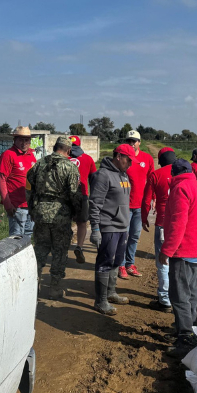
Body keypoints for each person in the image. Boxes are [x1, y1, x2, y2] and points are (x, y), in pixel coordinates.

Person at [160, 159, 197, 358]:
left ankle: (185, 338)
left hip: (184, 249)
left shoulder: (180, 189)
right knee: (190, 292)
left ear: (174, 174)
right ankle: (192, 328)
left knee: (179, 295)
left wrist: (167, 250)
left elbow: (178, 223)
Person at [27, 136, 82, 299]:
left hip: (41, 213)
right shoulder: (70, 167)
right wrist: (76, 211)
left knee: (40, 249)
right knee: (59, 251)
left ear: (55, 147)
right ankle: (54, 288)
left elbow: (29, 187)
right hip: (61, 214)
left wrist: (32, 208)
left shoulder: (38, 164)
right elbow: (74, 194)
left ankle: (33, 285)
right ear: (69, 150)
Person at [88, 144, 134, 315]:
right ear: (119, 156)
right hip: (108, 226)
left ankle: (111, 292)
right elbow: (94, 203)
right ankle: (100, 301)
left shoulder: (123, 174)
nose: (130, 164)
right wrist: (95, 228)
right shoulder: (103, 175)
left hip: (122, 226)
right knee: (105, 262)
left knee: (117, 261)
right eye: (128, 160)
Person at [142, 147, 177, 312]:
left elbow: (146, 199)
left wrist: (144, 218)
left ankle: (165, 299)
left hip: (163, 224)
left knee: (163, 262)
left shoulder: (156, 175)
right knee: (178, 261)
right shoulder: (184, 173)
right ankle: (177, 297)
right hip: (180, 225)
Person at [119, 130, 155, 279]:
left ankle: (130, 263)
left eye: (134, 141)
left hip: (140, 205)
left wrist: (153, 197)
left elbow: (152, 180)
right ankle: (120, 265)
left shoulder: (146, 159)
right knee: (123, 236)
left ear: (140, 142)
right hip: (124, 204)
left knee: (134, 236)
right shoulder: (123, 158)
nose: (132, 143)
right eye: (129, 141)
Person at [0, 126, 37, 237]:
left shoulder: (31, 155)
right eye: (21, 140)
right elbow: (1, 180)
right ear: (14, 140)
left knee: (28, 237)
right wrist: (8, 204)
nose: (24, 143)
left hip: (30, 205)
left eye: (26, 140)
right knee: (16, 238)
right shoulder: (8, 155)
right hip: (16, 207)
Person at [68, 135, 97, 263]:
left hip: (65, 196)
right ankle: (79, 246)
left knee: (65, 222)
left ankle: (64, 247)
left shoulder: (63, 159)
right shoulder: (88, 159)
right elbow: (94, 179)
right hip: (82, 195)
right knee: (82, 223)